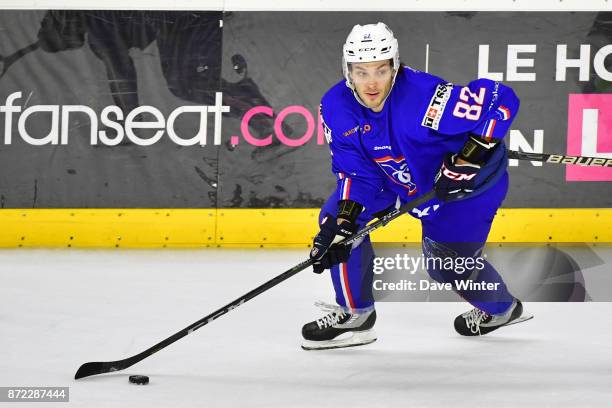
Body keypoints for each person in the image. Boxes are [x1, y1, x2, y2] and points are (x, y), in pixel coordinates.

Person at [302, 22, 524, 350]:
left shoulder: (427, 99)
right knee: (336, 220)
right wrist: (346, 221)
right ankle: (356, 314)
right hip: (396, 179)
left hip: (465, 191)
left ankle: (502, 308)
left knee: (447, 268)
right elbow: (355, 171)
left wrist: (468, 158)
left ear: (395, 66)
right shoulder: (336, 105)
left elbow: (501, 100)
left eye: (380, 70)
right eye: (361, 72)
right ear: (347, 70)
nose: (372, 83)